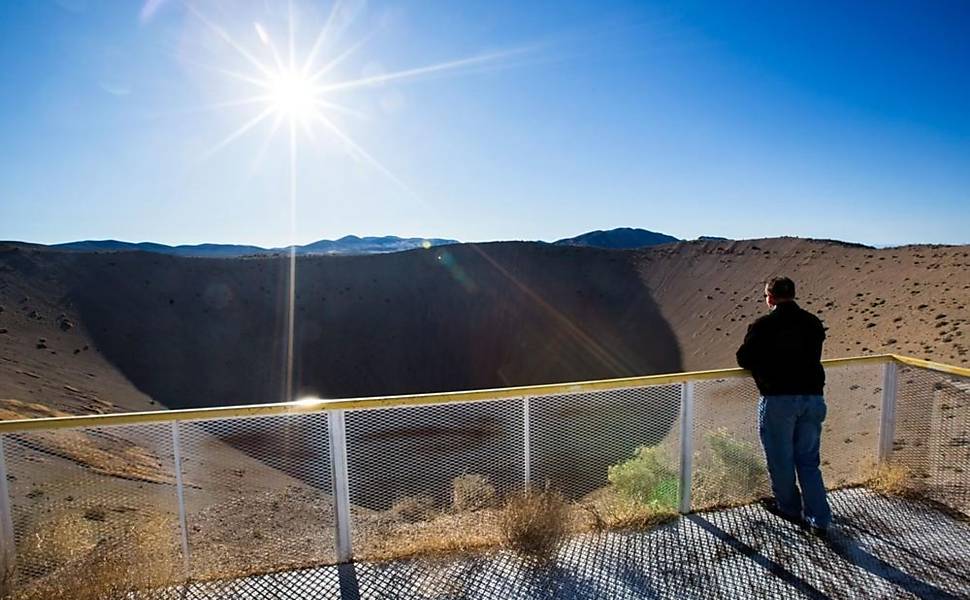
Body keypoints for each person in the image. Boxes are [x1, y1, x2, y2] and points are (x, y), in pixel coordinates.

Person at [736, 276, 832, 537]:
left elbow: (744, 359)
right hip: (812, 397)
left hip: (779, 399)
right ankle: (820, 519)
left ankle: (789, 509)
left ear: (770, 297)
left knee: (781, 459)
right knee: (809, 461)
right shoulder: (812, 322)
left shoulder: (764, 325)